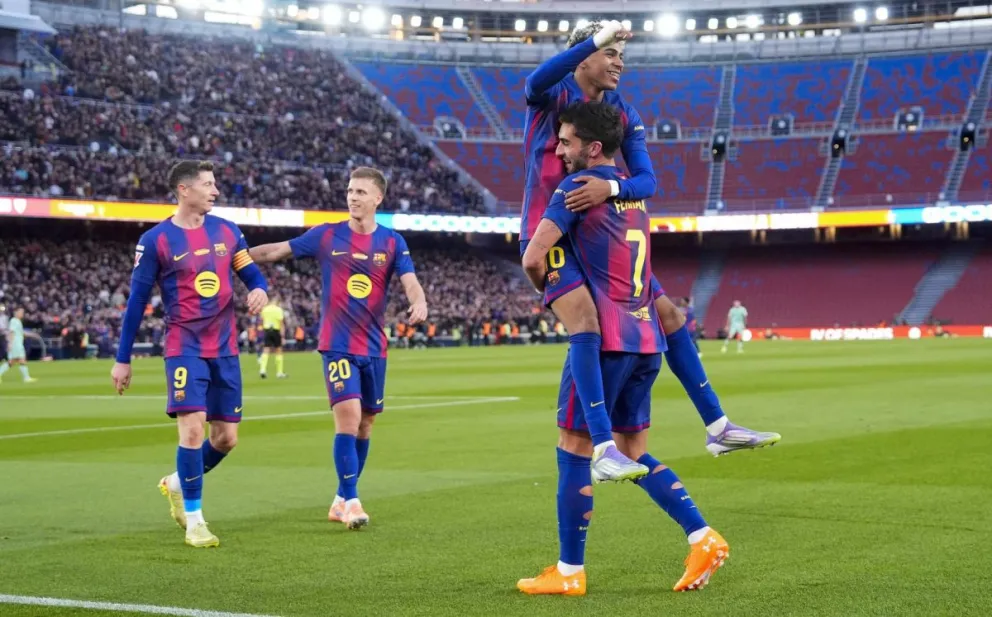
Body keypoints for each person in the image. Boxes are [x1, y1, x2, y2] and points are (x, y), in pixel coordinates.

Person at [521, 20, 779, 459]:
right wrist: (595, 40)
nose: (619, 63)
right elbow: (534, 81)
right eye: (610, 54)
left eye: (622, 55)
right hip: (552, 230)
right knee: (585, 321)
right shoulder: (553, 96)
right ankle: (602, 446)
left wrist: (611, 188)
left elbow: (647, 181)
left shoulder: (621, 111)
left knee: (671, 317)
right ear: (585, 56)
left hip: (600, 235)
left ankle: (717, 426)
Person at [520, 102, 728, 595]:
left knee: (573, 447)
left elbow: (532, 256)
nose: (559, 149)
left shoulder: (575, 188)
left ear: (593, 148)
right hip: (645, 343)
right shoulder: (634, 195)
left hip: (603, 344)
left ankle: (569, 572)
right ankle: (703, 536)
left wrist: (552, 293)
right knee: (634, 450)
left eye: (567, 141)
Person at [249, 167, 428, 530]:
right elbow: (276, 251)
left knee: (366, 424)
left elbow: (411, 282)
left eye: (361, 191)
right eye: (349, 191)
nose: (352, 197)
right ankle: (352, 500)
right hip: (337, 345)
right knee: (348, 419)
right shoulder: (327, 234)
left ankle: (339, 499)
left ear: (378, 198)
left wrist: (420, 302)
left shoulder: (392, 242)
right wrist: (236, 256)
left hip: (374, 347)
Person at [111, 160, 269, 548]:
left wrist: (260, 289)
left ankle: (178, 483)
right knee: (193, 429)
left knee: (226, 438)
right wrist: (122, 357)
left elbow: (251, 274)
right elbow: (136, 302)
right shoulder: (156, 241)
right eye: (208, 184)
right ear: (184, 190)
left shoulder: (228, 232)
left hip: (225, 348)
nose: (215, 191)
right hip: (184, 346)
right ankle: (196, 520)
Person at [0, 307, 37, 383]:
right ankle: (26, 378)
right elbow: (11, 332)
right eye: (21, 312)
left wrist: (32, 335)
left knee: (12, 362)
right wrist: (10, 344)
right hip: (15, 344)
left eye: (22, 312)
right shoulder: (14, 321)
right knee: (20, 359)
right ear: (16, 312)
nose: (22, 314)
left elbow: (20, 332)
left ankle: (26, 378)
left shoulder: (18, 321)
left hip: (18, 343)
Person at [259, 294, 287, 379]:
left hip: (267, 330)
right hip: (275, 330)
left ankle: (262, 370)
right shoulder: (278, 310)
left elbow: (262, 320)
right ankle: (279, 372)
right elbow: (281, 323)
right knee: (278, 350)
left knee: (266, 350)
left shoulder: (265, 309)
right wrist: (282, 336)